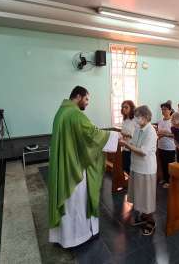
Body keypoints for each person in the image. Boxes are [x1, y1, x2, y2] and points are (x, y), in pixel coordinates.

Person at [48, 86, 120, 248]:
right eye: (86, 99)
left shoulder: (62, 111)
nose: (87, 103)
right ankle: (78, 236)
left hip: (65, 162)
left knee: (69, 203)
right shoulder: (75, 114)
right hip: (74, 166)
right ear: (78, 96)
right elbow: (92, 134)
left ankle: (63, 237)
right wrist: (115, 135)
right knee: (77, 202)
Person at [120, 105, 157, 236]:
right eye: (135, 117)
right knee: (139, 194)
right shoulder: (138, 128)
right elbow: (134, 143)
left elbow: (143, 151)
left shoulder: (151, 131)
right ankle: (143, 216)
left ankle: (151, 221)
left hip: (146, 168)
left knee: (147, 196)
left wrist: (127, 145)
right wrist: (126, 141)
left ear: (146, 117)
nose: (136, 120)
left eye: (138, 117)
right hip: (136, 166)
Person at [157, 102, 176, 188]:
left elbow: (175, 135)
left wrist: (165, 134)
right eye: (162, 109)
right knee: (163, 164)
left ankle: (170, 181)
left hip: (170, 147)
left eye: (165, 109)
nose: (163, 111)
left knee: (169, 164)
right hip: (161, 146)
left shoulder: (173, 121)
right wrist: (158, 134)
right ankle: (165, 179)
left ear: (170, 110)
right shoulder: (160, 121)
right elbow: (158, 132)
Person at [120, 100, 136, 174]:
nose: (124, 109)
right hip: (124, 147)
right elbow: (123, 132)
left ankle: (133, 184)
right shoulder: (125, 120)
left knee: (132, 168)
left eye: (126, 107)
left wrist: (125, 134)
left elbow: (134, 134)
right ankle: (127, 184)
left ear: (132, 108)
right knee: (125, 167)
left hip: (132, 148)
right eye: (123, 107)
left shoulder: (135, 120)